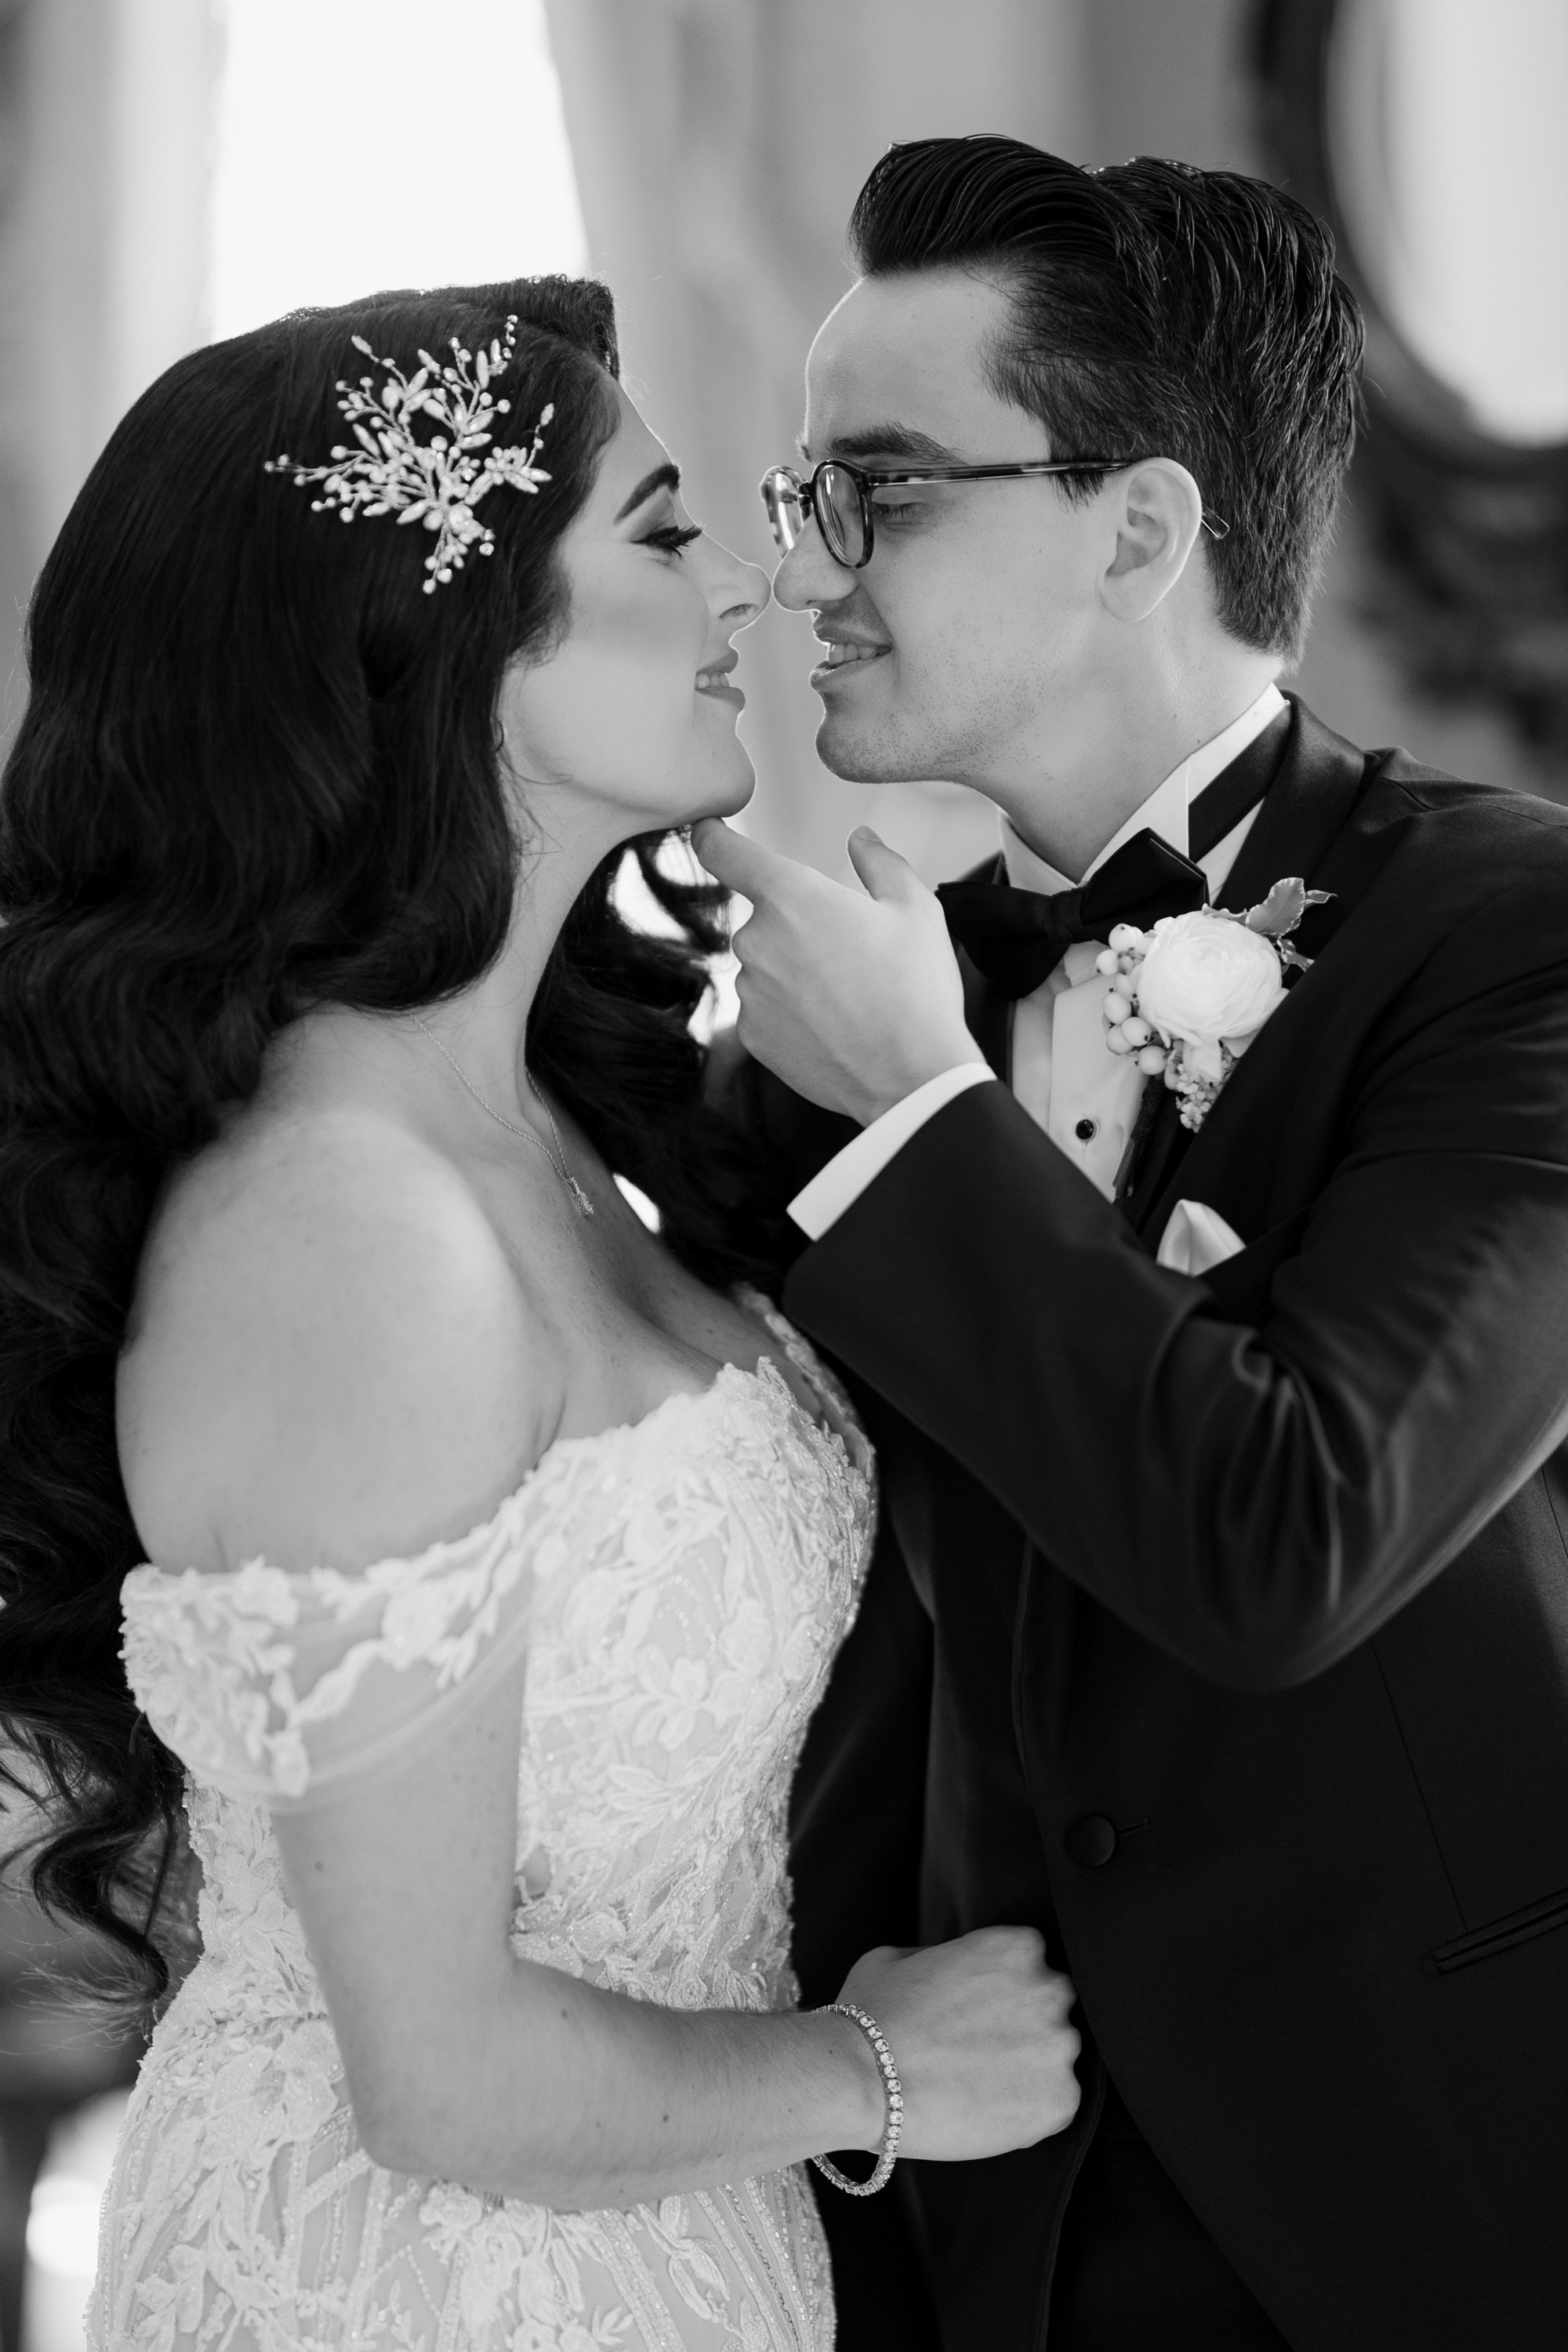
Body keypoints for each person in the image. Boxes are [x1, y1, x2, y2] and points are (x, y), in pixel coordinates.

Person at [0, 274, 1083, 2352]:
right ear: (457, 650)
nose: (752, 591)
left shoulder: (572, 1135)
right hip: (420, 2287)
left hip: (675, 2246)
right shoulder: (350, 1231)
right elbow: (446, 2076)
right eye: (668, 535)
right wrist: (885, 2073)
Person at [694, 139, 1568, 2350]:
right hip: (976, 2236)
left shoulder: (1516, 944)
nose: (810, 574)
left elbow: (1289, 1529)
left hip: (1439, 2201)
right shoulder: (843, 1010)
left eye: (878, 489)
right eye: (803, 502)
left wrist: (921, 1120)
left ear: (1142, 528)